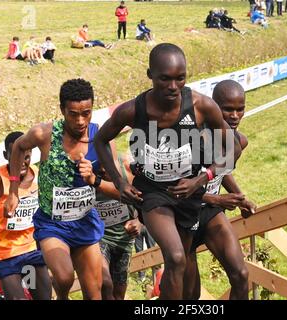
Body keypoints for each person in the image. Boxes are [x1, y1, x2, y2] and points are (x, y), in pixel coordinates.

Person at [94, 43, 239, 300]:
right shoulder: (133, 110)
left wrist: (200, 179)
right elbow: (101, 140)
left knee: (187, 277)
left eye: (180, 78)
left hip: (189, 195)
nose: (173, 87)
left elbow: (232, 149)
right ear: (150, 75)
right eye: (165, 79)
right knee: (175, 257)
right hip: (154, 194)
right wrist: (119, 182)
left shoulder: (200, 106)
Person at [4, 79, 108, 300]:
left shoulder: (100, 138)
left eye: (86, 113)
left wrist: (94, 177)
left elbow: (117, 183)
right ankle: (62, 297)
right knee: (63, 277)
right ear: (62, 110)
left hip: (85, 221)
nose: (80, 121)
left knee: (95, 292)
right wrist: (13, 190)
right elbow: (19, 147)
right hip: (53, 222)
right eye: (73, 114)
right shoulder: (45, 134)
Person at [183, 80, 256, 300]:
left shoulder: (239, 142)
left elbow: (222, 170)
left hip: (210, 213)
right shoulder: (193, 139)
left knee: (241, 276)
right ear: (214, 106)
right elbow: (175, 188)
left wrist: (240, 197)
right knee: (190, 294)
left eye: (240, 109)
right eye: (228, 109)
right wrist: (216, 199)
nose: (235, 115)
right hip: (181, 215)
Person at [0, 131, 52, 300]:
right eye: (16, 157)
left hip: (32, 251)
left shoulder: (37, 174)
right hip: (6, 256)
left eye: (26, 157)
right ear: (6, 155)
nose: (22, 163)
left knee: (43, 297)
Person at [95, 154, 142, 300]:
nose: (103, 170)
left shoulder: (128, 168)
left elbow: (147, 201)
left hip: (124, 240)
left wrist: (139, 222)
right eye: (99, 165)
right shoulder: (87, 174)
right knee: (104, 283)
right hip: (99, 238)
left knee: (118, 294)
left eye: (107, 164)